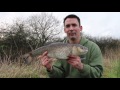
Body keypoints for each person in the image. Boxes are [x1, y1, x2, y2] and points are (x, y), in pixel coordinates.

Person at [38, 14, 103, 78]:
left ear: (80, 28)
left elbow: (98, 73)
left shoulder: (93, 47)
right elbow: (59, 75)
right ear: (65, 30)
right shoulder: (59, 47)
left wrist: (82, 67)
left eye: (74, 25)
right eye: (68, 26)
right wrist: (50, 69)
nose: (71, 28)